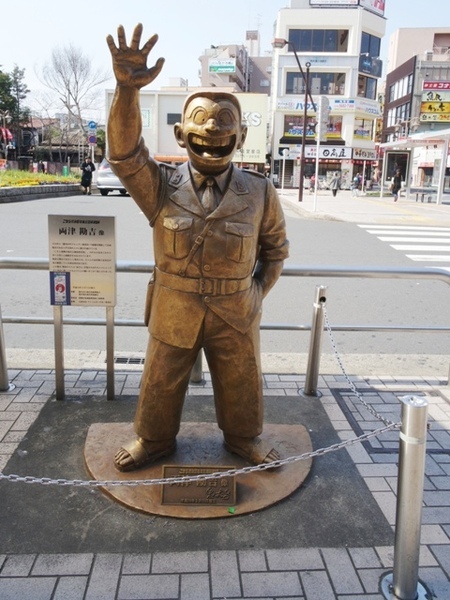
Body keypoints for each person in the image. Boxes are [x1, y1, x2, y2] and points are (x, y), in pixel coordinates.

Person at [106, 24, 289, 472]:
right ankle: (153, 441)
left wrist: (253, 294)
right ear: (181, 136)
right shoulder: (162, 187)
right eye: (202, 120)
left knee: (241, 380)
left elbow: (277, 251)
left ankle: (245, 440)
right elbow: (124, 155)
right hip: (175, 303)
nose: (213, 128)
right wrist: (126, 90)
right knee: (161, 379)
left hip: (235, 307)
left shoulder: (260, 192)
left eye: (226, 121)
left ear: (241, 137)